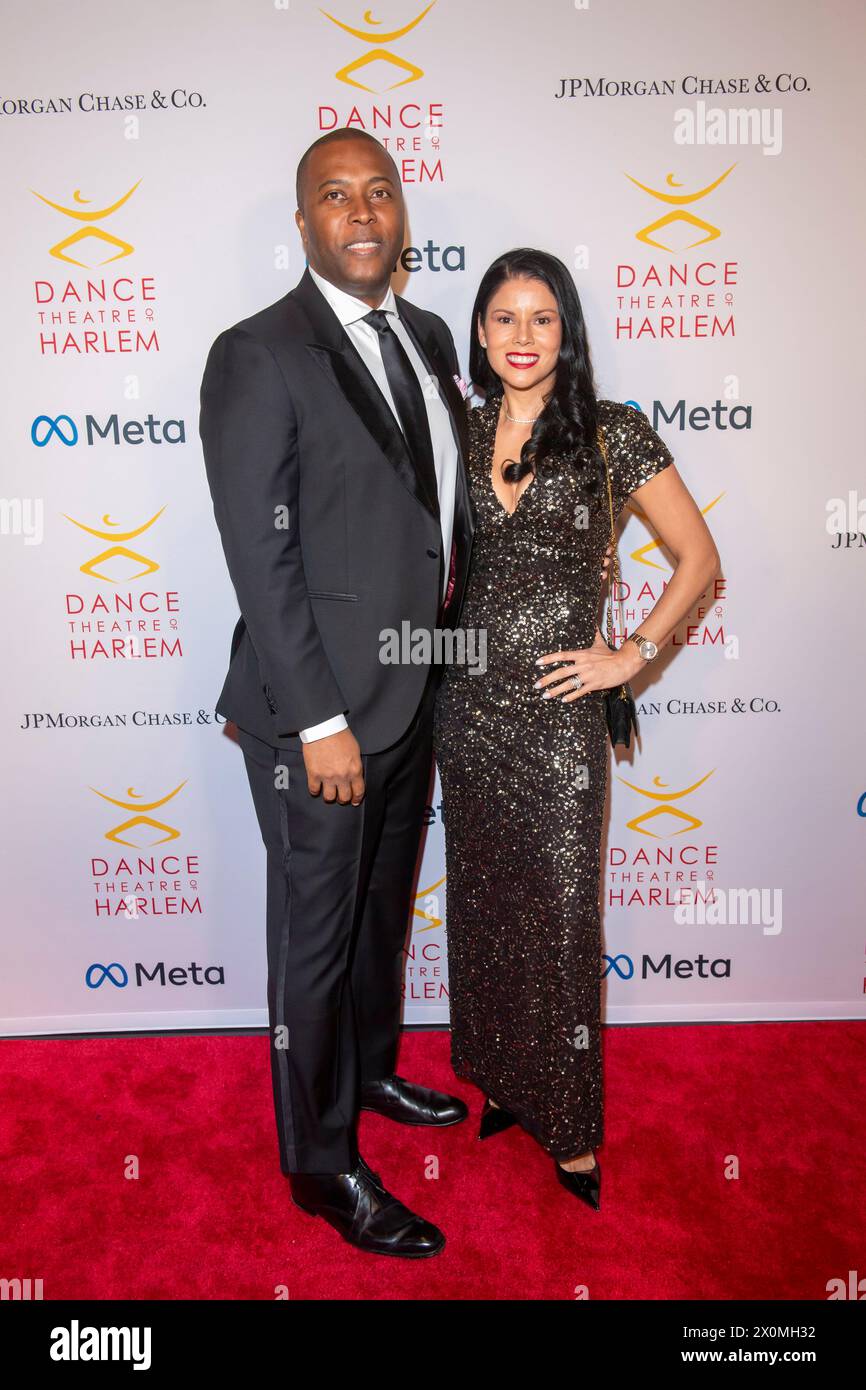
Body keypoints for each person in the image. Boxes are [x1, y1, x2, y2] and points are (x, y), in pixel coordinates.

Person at [198, 128, 478, 1259]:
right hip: (316, 713)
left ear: (401, 211)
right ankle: (320, 1164)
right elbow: (258, 558)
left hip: (411, 687)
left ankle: (367, 1074)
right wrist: (317, 718)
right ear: (303, 220)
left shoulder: (425, 332)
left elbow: (426, 512)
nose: (360, 213)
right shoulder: (256, 353)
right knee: (311, 942)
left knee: (373, 913)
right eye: (333, 196)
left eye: (378, 192)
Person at [432, 248, 721, 1210]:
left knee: (558, 920)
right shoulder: (457, 433)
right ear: (479, 331)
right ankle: (510, 1084)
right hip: (468, 714)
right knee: (486, 909)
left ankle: (572, 1129)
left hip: (560, 721)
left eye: (542, 318)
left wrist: (629, 656)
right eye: (504, 318)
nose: (522, 337)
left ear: (569, 331)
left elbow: (697, 558)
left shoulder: (611, 432)